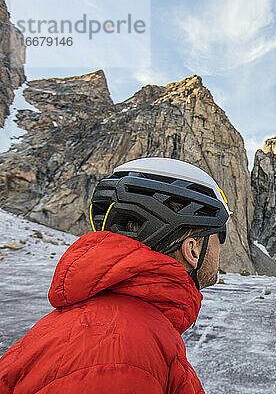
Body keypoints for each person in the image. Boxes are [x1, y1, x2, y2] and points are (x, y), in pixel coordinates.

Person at [0, 157, 230, 394]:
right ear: (192, 249)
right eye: (219, 236)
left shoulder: (103, 325)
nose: (220, 248)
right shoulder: (124, 354)